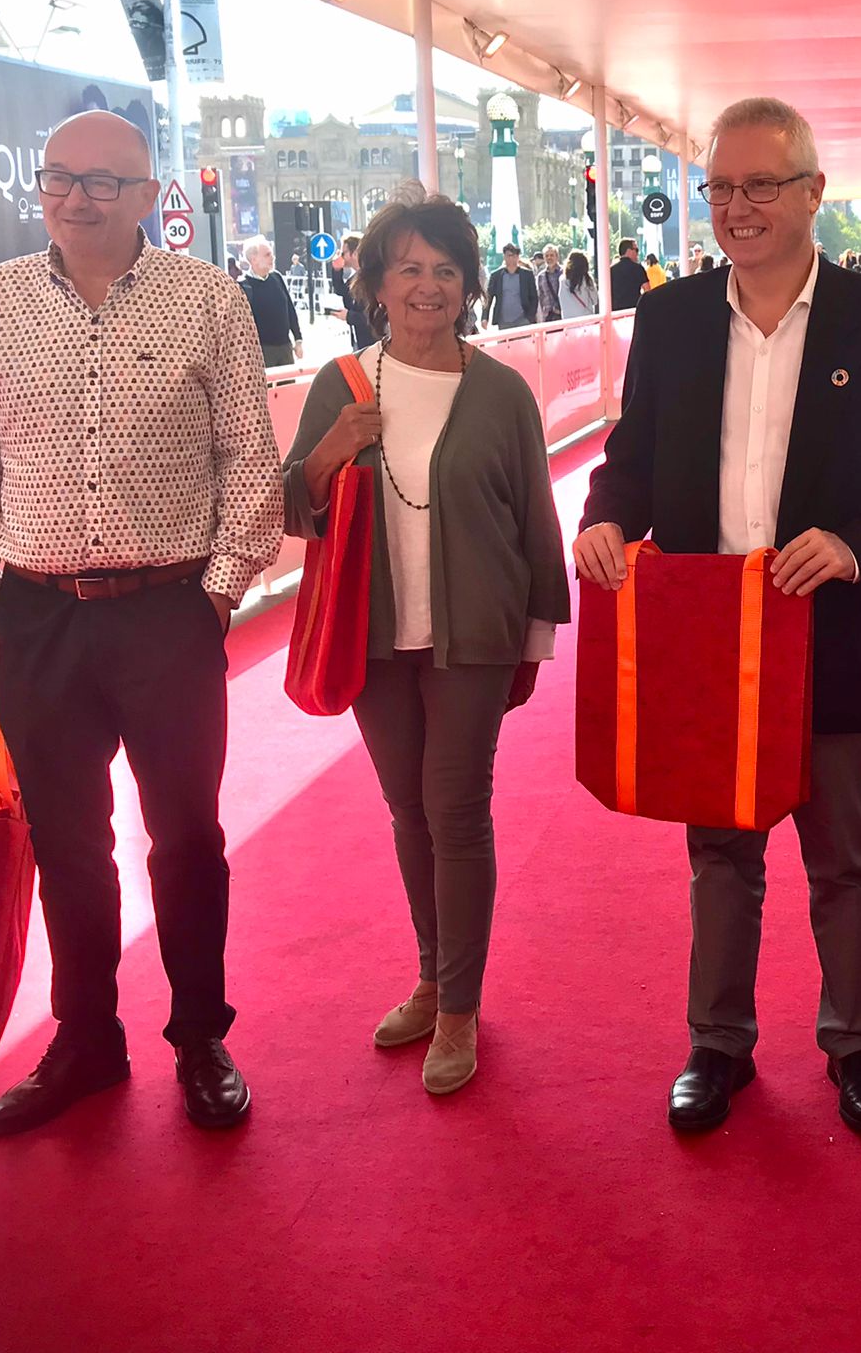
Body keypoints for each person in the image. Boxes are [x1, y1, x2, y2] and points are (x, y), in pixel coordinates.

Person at [575, 96, 861, 1136]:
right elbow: (628, 463)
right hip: (706, 640)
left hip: (831, 638)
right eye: (717, 187)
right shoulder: (667, 321)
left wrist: (853, 548)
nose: (735, 207)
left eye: (759, 184)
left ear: (813, 193)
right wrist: (605, 522)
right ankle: (716, 1045)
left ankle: (856, 1044)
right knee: (720, 855)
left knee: (842, 856)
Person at [0, 111, 282, 1138]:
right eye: (58, 177)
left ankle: (199, 1035)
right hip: (35, 614)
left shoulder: (206, 301)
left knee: (185, 839)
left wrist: (215, 593)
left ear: (148, 197)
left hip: (165, 615)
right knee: (66, 844)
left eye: (102, 180)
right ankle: (86, 1038)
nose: (75, 196)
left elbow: (249, 461)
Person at [282, 188, 569, 1096]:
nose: (427, 286)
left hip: (474, 634)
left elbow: (534, 517)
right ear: (375, 282)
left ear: (469, 285)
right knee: (407, 809)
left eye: (446, 269)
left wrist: (534, 638)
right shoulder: (343, 384)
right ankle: (430, 974)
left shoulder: (500, 392)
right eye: (408, 267)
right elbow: (292, 504)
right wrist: (332, 448)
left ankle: (458, 1009)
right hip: (372, 635)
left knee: (455, 808)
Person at [238, 234, 303, 367]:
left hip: (285, 347)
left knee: (288, 386)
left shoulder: (276, 277)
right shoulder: (243, 286)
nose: (272, 258)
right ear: (253, 259)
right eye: (267, 255)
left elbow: (290, 309)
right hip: (261, 352)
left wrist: (298, 339)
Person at [483, 241, 538, 328]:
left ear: (518, 257)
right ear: (504, 256)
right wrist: (484, 317)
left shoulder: (527, 275)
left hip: (523, 319)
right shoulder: (496, 276)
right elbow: (488, 298)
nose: (512, 258)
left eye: (515, 255)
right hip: (504, 320)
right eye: (509, 255)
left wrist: (530, 317)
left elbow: (534, 297)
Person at [610, 238, 646, 310]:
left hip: (616, 312)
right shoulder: (638, 268)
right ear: (629, 251)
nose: (637, 254)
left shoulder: (611, 270)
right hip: (634, 310)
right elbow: (647, 290)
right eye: (636, 250)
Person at [560, 248, 598, 316]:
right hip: (586, 319)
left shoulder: (562, 281)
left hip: (569, 321)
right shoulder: (587, 280)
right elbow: (595, 300)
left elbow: (562, 302)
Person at [538, 243, 564, 322]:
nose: (549, 258)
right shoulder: (541, 276)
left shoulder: (564, 272)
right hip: (547, 315)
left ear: (557, 256)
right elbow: (541, 296)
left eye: (552, 255)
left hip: (562, 314)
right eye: (547, 255)